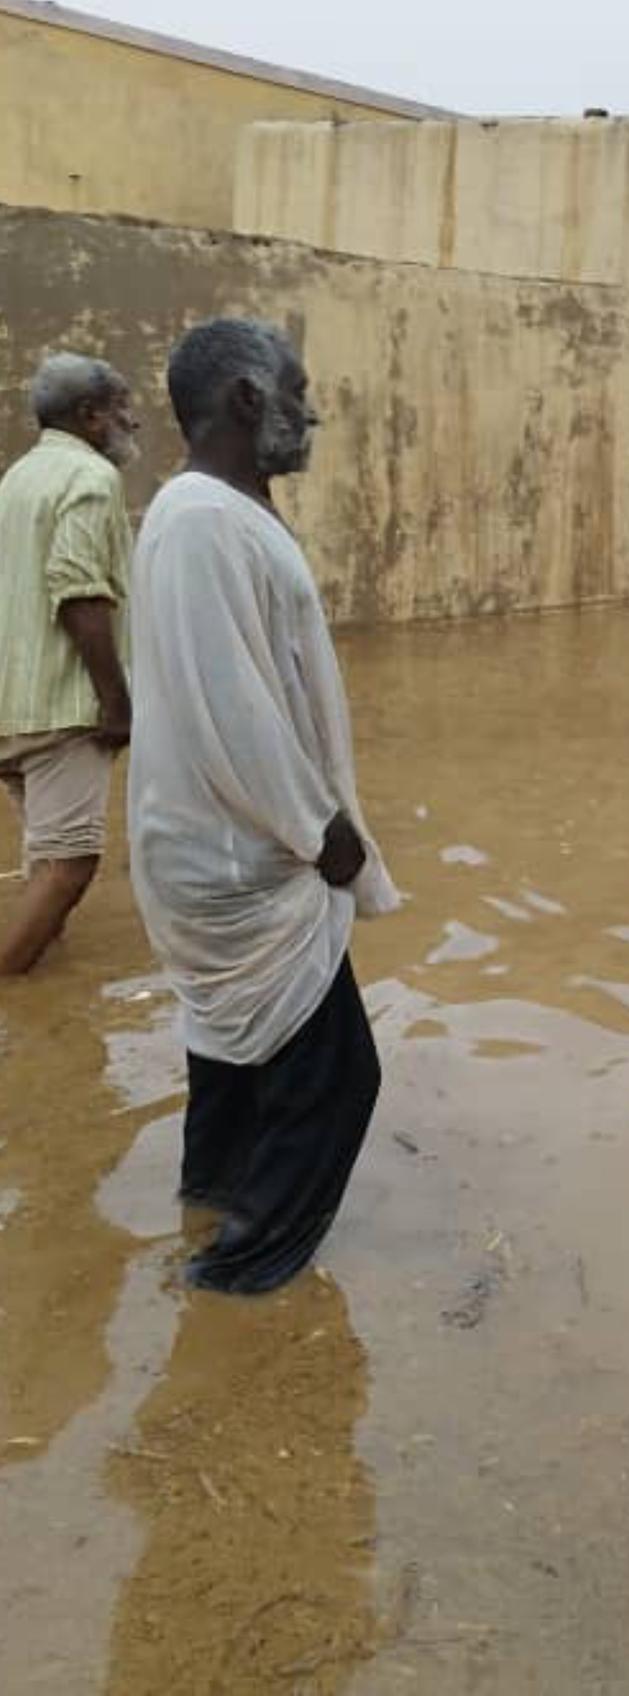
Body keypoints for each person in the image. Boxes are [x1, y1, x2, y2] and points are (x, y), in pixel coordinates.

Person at [129, 319, 399, 1293]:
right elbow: (230, 705)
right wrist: (322, 832)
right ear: (247, 398)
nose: (310, 412)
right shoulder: (202, 521)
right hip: (244, 852)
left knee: (236, 1061)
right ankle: (236, 1278)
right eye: (297, 391)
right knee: (338, 1078)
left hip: (228, 841)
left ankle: (209, 1202)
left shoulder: (219, 512)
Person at [0, 354, 140, 975]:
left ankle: (46, 997)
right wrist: (116, 703)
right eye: (121, 406)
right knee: (71, 864)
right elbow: (78, 589)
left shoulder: (19, 476)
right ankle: (10, 984)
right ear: (90, 416)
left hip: (12, 704)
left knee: (45, 858)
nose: (132, 420)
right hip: (61, 706)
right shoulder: (92, 477)